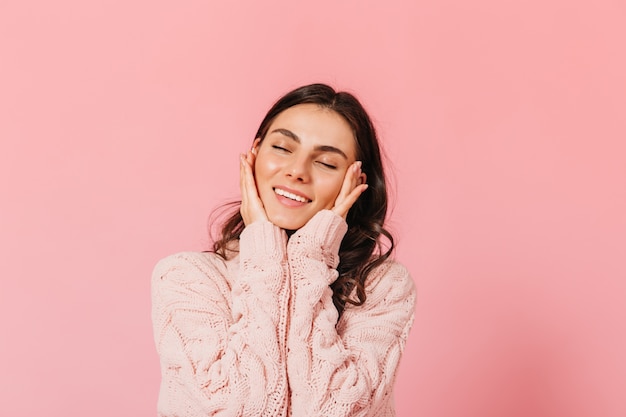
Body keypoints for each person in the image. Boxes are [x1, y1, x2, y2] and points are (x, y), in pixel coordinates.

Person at [151, 83, 416, 416]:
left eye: (327, 164)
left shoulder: (381, 287)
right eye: (282, 147)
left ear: (357, 183)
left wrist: (312, 256)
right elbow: (237, 410)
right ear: (255, 154)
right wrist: (265, 253)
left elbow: (334, 412)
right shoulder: (186, 278)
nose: (296, 171)